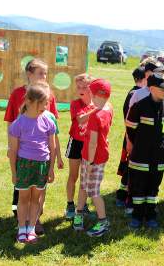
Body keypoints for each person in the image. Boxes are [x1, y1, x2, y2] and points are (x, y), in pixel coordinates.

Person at [4, 58, 60, 234]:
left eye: (46, 73)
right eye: (40, 73)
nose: (44, 76)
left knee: (39, 189)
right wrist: (10, 147)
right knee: (21, 189)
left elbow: (52, 125)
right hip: (22, 152)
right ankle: (19, 218)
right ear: (29, 74)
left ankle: (35, 220)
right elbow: (11, 122)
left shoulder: (48, 95)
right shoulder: (16, 94)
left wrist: (55, 155)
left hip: (41, 155)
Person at [125, 74, 164, 228]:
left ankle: (151, 215)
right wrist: (140, 144)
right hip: (141, 155)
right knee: (139, 186)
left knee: (154, 186)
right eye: (163, 88)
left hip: (159, 156)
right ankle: (137, 216)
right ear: (152, 89)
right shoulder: (139, 106)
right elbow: (131, 130)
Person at [73, 78, 113, 237]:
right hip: (94, 156)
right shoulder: (109, 108)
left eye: (90, 91)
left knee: (93, 191)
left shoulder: (95, 116)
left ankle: (103, 222)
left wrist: (89, 163)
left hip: (93, 159)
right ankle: (79, 214)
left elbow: (93, 144)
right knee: (83, 185)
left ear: (95, 94)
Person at [65, 74, 95, 219]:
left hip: (90, 144)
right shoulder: (75, 103)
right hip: (76, 142)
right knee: (74, 175)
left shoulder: (96, 103)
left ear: (91, 88)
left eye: (84, 87)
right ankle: (70, 204)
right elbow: (80, 119)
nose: (81, 89)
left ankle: (82, 206)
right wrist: (96, 109)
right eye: (78, 87)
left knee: (87, 177)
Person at [116, 67, 146, 210]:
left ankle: (124, 193)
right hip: (131, 136)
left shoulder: (137, 92)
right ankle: (122, 195)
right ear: (142, 78)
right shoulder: (134, 94)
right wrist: (129, 139)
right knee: (129, 167)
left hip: (135, 136)